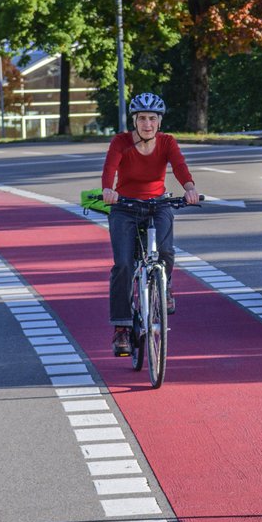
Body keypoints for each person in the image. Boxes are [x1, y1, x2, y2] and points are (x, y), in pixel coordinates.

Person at [101, 92, 200, 356]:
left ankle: (164, 286)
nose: (148, 124)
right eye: (142, 118)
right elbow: (109, 169)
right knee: (123, 265)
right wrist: (108, 190)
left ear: (159, 121)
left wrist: (190, 188)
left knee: (165, 251)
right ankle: (122, 328)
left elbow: (179, 166)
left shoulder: (167, 142)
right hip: (125, 207)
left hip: (158, 205)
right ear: (134, 121)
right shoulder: (121, 142)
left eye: (152, 118)